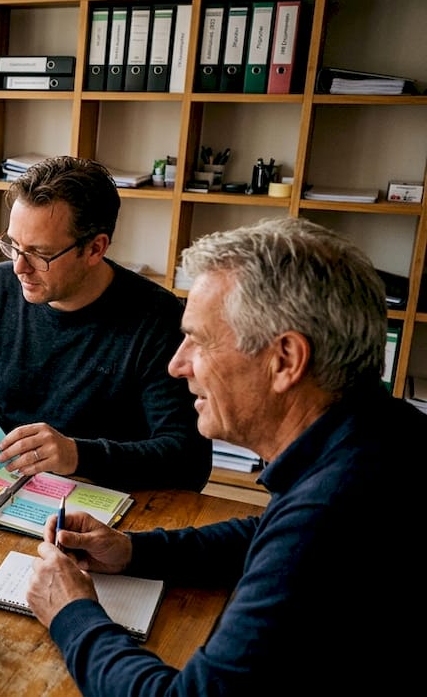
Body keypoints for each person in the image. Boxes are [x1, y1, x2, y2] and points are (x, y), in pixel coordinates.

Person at [27, 217, 423, 694]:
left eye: (201, 340)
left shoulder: (334, 509)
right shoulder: (376, 431)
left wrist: (71, 612)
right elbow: (268, 533)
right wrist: (133, 551)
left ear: (286, 360)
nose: (177, 364)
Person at [0, 155, 210, 491]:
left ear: (95, 249)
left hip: (106, 502)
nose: (19, 267)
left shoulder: (156, 317)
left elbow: (189, 460)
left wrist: (76, 455)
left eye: (40, 254)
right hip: (2, 489)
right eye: (13, 246)